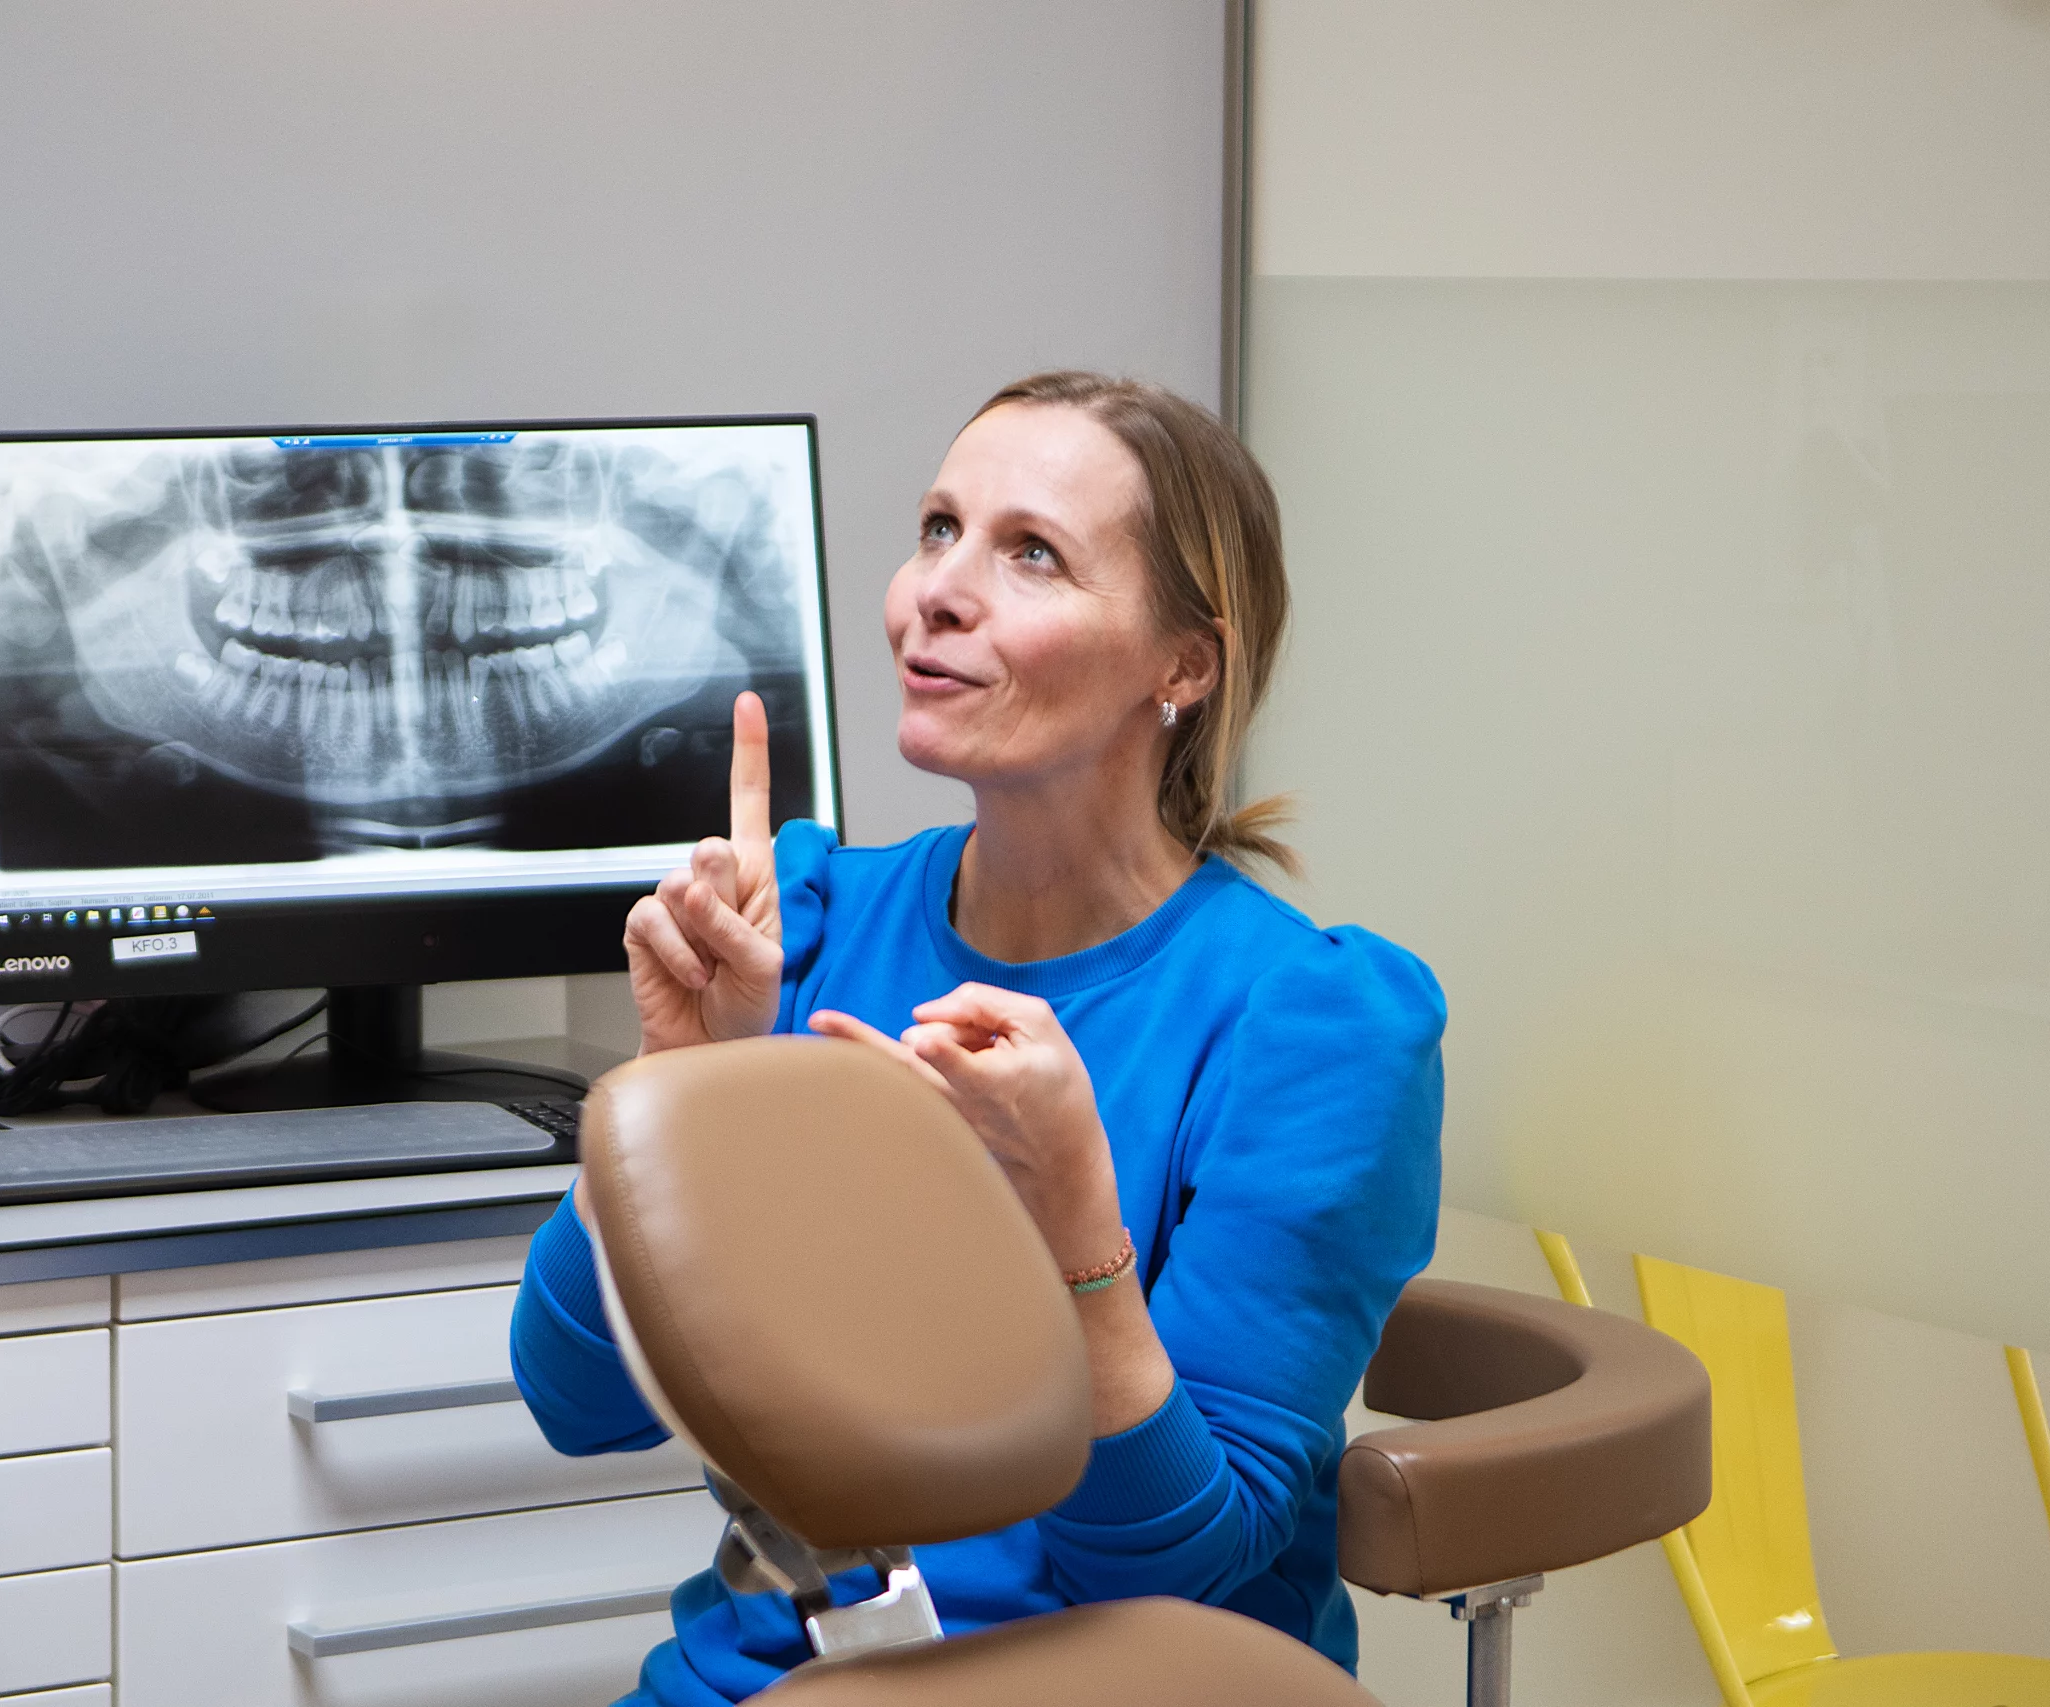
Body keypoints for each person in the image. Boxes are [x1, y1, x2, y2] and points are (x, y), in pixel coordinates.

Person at [511, 371, 1444, 1705]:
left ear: (1182, 665)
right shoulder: (812, 923)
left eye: (1033, 555)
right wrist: (677, 1093)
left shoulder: (1313, 1028)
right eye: (940, 527)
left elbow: (1174, 1580)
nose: (938, 589)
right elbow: (573, 1402)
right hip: (769, 1678)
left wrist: (1072, 1225)